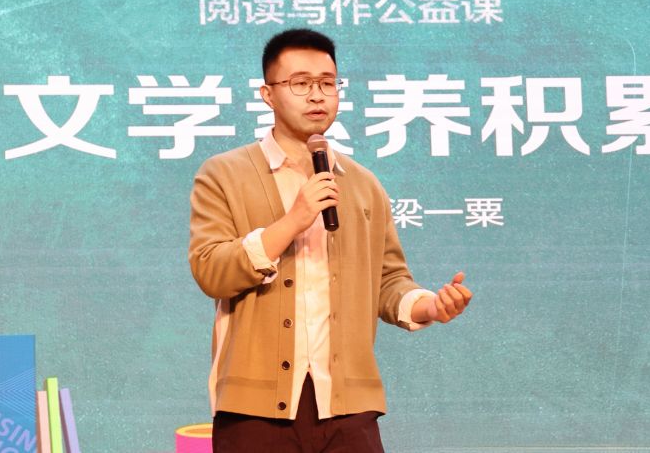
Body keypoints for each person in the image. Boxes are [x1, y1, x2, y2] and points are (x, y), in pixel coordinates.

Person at [189, 29, 472, 452]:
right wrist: (293, 221)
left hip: (347, 407)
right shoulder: (223, 174)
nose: (317, 95)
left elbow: (388, 281)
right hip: (255, 410)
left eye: (327, 83)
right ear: (268, 94)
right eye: (300, 83)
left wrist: (430, 306)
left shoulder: (363, 184)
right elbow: (211, 270)